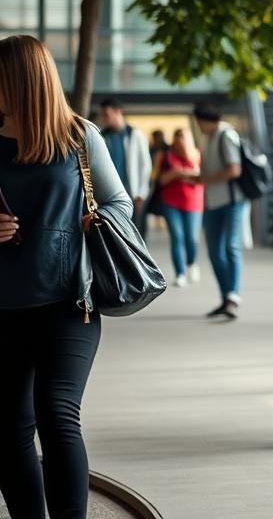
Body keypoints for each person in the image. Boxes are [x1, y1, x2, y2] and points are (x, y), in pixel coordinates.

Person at [0, 35, 134, 519]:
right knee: (10, 429)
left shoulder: (80, 136)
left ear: (20, 82)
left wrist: (95, 220)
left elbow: (120, 203)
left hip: (69, 304)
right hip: (4, 308)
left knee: (57, 415)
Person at [191, 102, 248, 319]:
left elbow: (234, 170)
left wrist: (206, 180)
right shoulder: (207, 138)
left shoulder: (226, 135)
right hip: (213, 202)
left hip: (232, 200)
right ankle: (226, 297)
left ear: (203, 120)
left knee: (231, 246)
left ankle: (233, 296)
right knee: (215, 252)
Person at [158, 128, 205, 287]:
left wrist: (183, 170)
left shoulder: (198, 154)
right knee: (177, 236)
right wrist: (178, 173)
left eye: (185, 138)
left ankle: (191, 263)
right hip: (171, 201)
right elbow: (162, 180)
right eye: (179, 138)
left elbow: (201, 177)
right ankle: (180, 273)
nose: (182, 141)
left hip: (194, 201)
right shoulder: (166, 156)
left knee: (192, 237)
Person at [98, 98, 152, 237]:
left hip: (132, 192)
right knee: (114, 231)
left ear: (117, 112)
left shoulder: (135, 134)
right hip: (110, 192)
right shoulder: (103, 136)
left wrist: (141, 193)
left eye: (107, 114)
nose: (104, 118)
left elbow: (145, 165)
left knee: (136, 231)